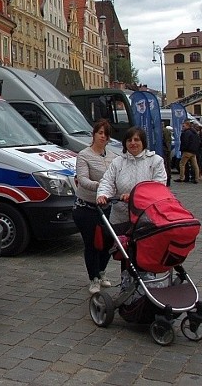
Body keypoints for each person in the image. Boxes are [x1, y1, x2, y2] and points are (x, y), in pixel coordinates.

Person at [97, 126, 168, 235]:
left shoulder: (155, 161)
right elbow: (107, 181)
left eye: (136, 140)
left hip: (146, 217)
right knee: (120, 249)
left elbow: (158, 186)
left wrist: (134, 196)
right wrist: (103, 195)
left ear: (143, 142)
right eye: (129, 140)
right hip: (120, 216)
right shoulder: (118, 162)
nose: (133, 143)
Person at [73, 119, 115, 294]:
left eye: (106, 134)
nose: (103, 137)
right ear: (94, 135)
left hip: (107, 207)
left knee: (109, 242)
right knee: (92, 244)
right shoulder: (84, 155)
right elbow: (82, 180)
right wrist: (101, 186)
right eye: (100, 133)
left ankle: (102, 271)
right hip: (87, 207)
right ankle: (94, 278)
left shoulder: (113, 157)